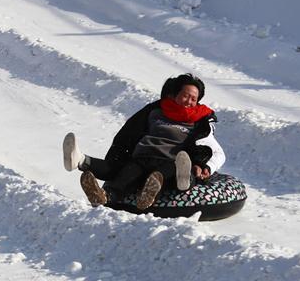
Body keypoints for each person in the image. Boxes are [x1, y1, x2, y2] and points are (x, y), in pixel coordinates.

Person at [62, 74, 226, 210]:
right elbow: (129, 134)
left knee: (163, 173)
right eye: (185, 95)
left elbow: (212, 150)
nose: (188, 101)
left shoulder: (199, 122)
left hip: (171, 161)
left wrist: (204, 166)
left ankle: (175, 183)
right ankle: (101, 192)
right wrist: (119, 156)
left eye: (193, 98)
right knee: (126, 175)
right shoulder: (155, 113)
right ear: (174, 94)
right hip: (143, 157)